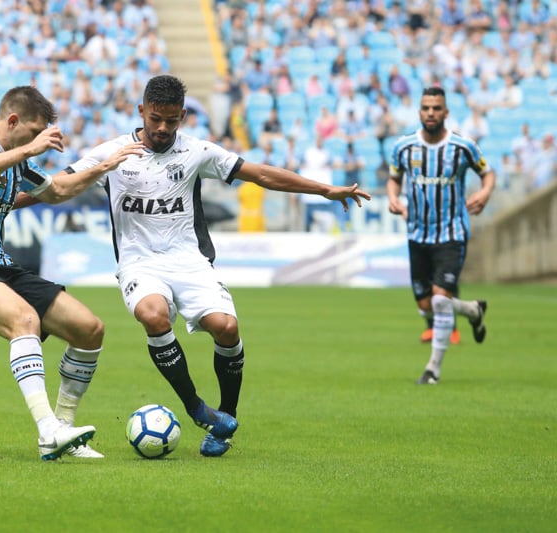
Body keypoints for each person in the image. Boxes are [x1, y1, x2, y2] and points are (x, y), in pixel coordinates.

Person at [63, 75, 371, 456]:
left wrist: (324, 189)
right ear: (141, 110)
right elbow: (59, 184)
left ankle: (225, 419)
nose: (162, 128)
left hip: (189, 260)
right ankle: (196, 408)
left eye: (171, 121)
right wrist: (8, 198)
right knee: (153, 315)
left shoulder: (197, 152)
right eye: (155, 118)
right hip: (139, 262)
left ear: (183, 117)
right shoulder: (112, 154)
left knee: (226, 328)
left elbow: (260, 174)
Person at [0, 86, 143, 461]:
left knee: (89, 329)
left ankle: (64, 431)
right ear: (13, 121)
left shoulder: (17, 162)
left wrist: (104, 167)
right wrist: (28, 148)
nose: (35, 142)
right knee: (23, 320)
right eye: (32, 132)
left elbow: (56, 192)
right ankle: (47, 430)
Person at [387, 87, 495, 385]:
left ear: (445, 112)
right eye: (426, 108)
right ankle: (473, 311)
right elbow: (394, 179)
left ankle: (432, 370)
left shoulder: (462, 147)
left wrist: (485, 193)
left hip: (452, 234)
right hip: (417, 234)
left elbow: (488, 173)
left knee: (439, 300)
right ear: (419, 112)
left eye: (436, 108)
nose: (431, 113)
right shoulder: (404, 147)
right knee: (425, 305)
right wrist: (394, 198)